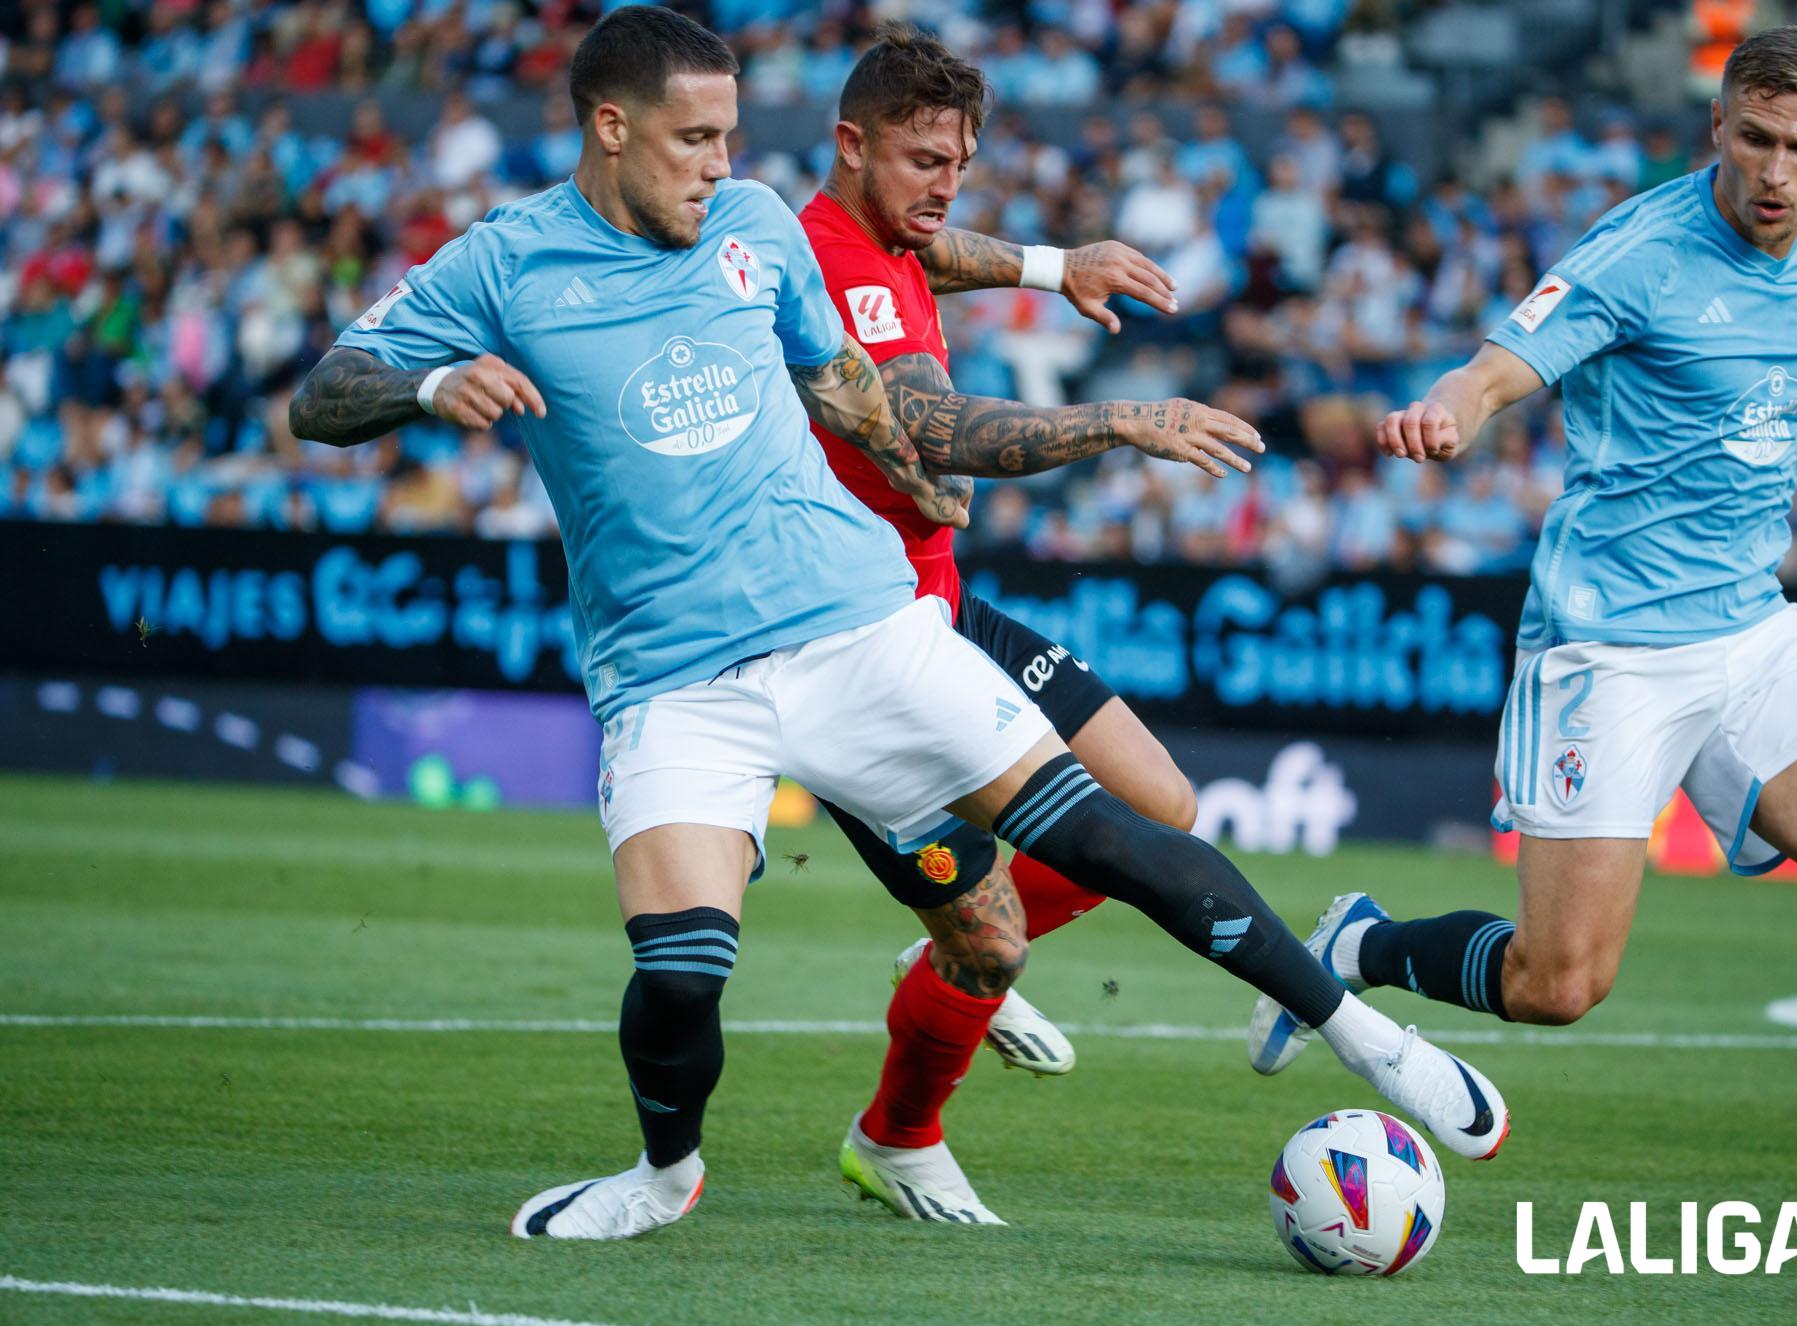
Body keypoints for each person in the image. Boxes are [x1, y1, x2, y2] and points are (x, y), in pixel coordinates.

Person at [290, 5, 1510, 1245]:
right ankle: (664, 1175)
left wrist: (916, 447)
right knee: (677, 972)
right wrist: (432, 383)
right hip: (671, 674)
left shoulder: (752, 225)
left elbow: (842, 375)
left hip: (859, 621)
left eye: (727, 137)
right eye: (696, 139)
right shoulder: (503, 265)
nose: (721, 163)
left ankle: (1362, 1034)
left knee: (1114, 832)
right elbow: (322, 393)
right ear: (611, 128)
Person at [1248, 26, 1797, 1271]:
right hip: (1610, 648)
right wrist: (1447, 408)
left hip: (1751, 632)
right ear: (1715, 127)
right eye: (1752, 138)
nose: (1773, 170)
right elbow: (1495, 369)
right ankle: (1359, 946)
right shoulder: (1637, 254)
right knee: (1557, 983)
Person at [795, 25, 1248, 1222]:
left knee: (1156, 804)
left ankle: (937, 957)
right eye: (919, 161)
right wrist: (1115, 422)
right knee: (992, 942)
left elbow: (931, 259)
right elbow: (936, 430)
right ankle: (894, 1135)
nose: (943, 188)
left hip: (941, 605)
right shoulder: (825, 265)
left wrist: (1054, 266)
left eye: (958, 160)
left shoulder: (884, 238)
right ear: (850, 147)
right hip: (854, 644)